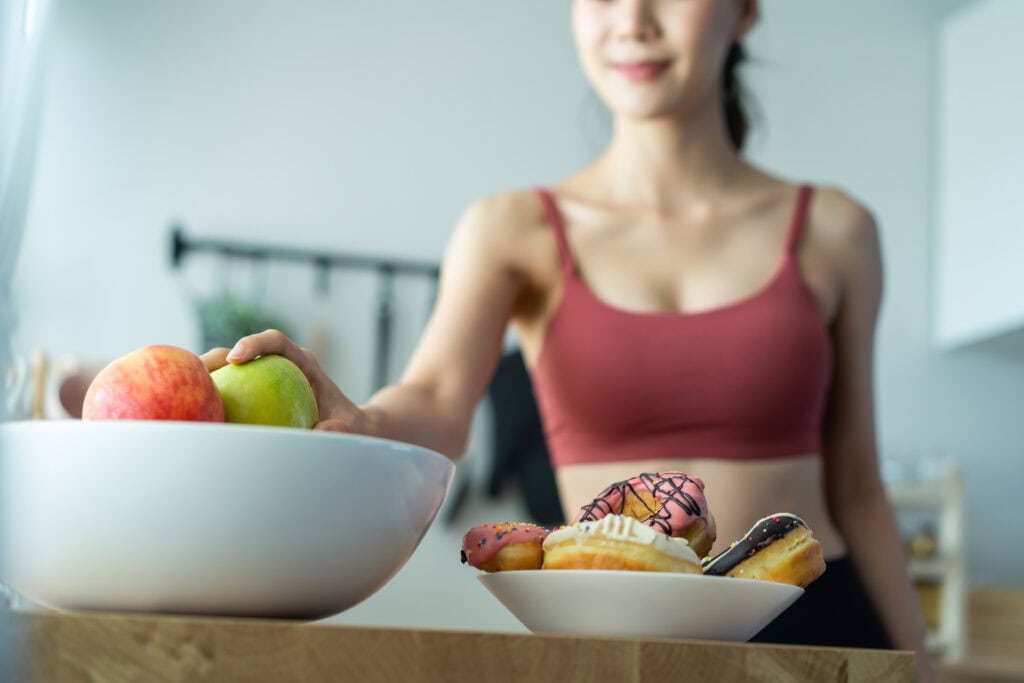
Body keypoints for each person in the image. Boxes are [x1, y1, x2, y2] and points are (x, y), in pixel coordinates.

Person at [203, 0, 933, 679]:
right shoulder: (511, 230)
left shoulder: (837, 231)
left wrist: (921, 665)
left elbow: (860, 487)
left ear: (744, 9)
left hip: (819, 635)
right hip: (608, 642)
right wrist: (357, 420)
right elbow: (434, 398)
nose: (634, 20)